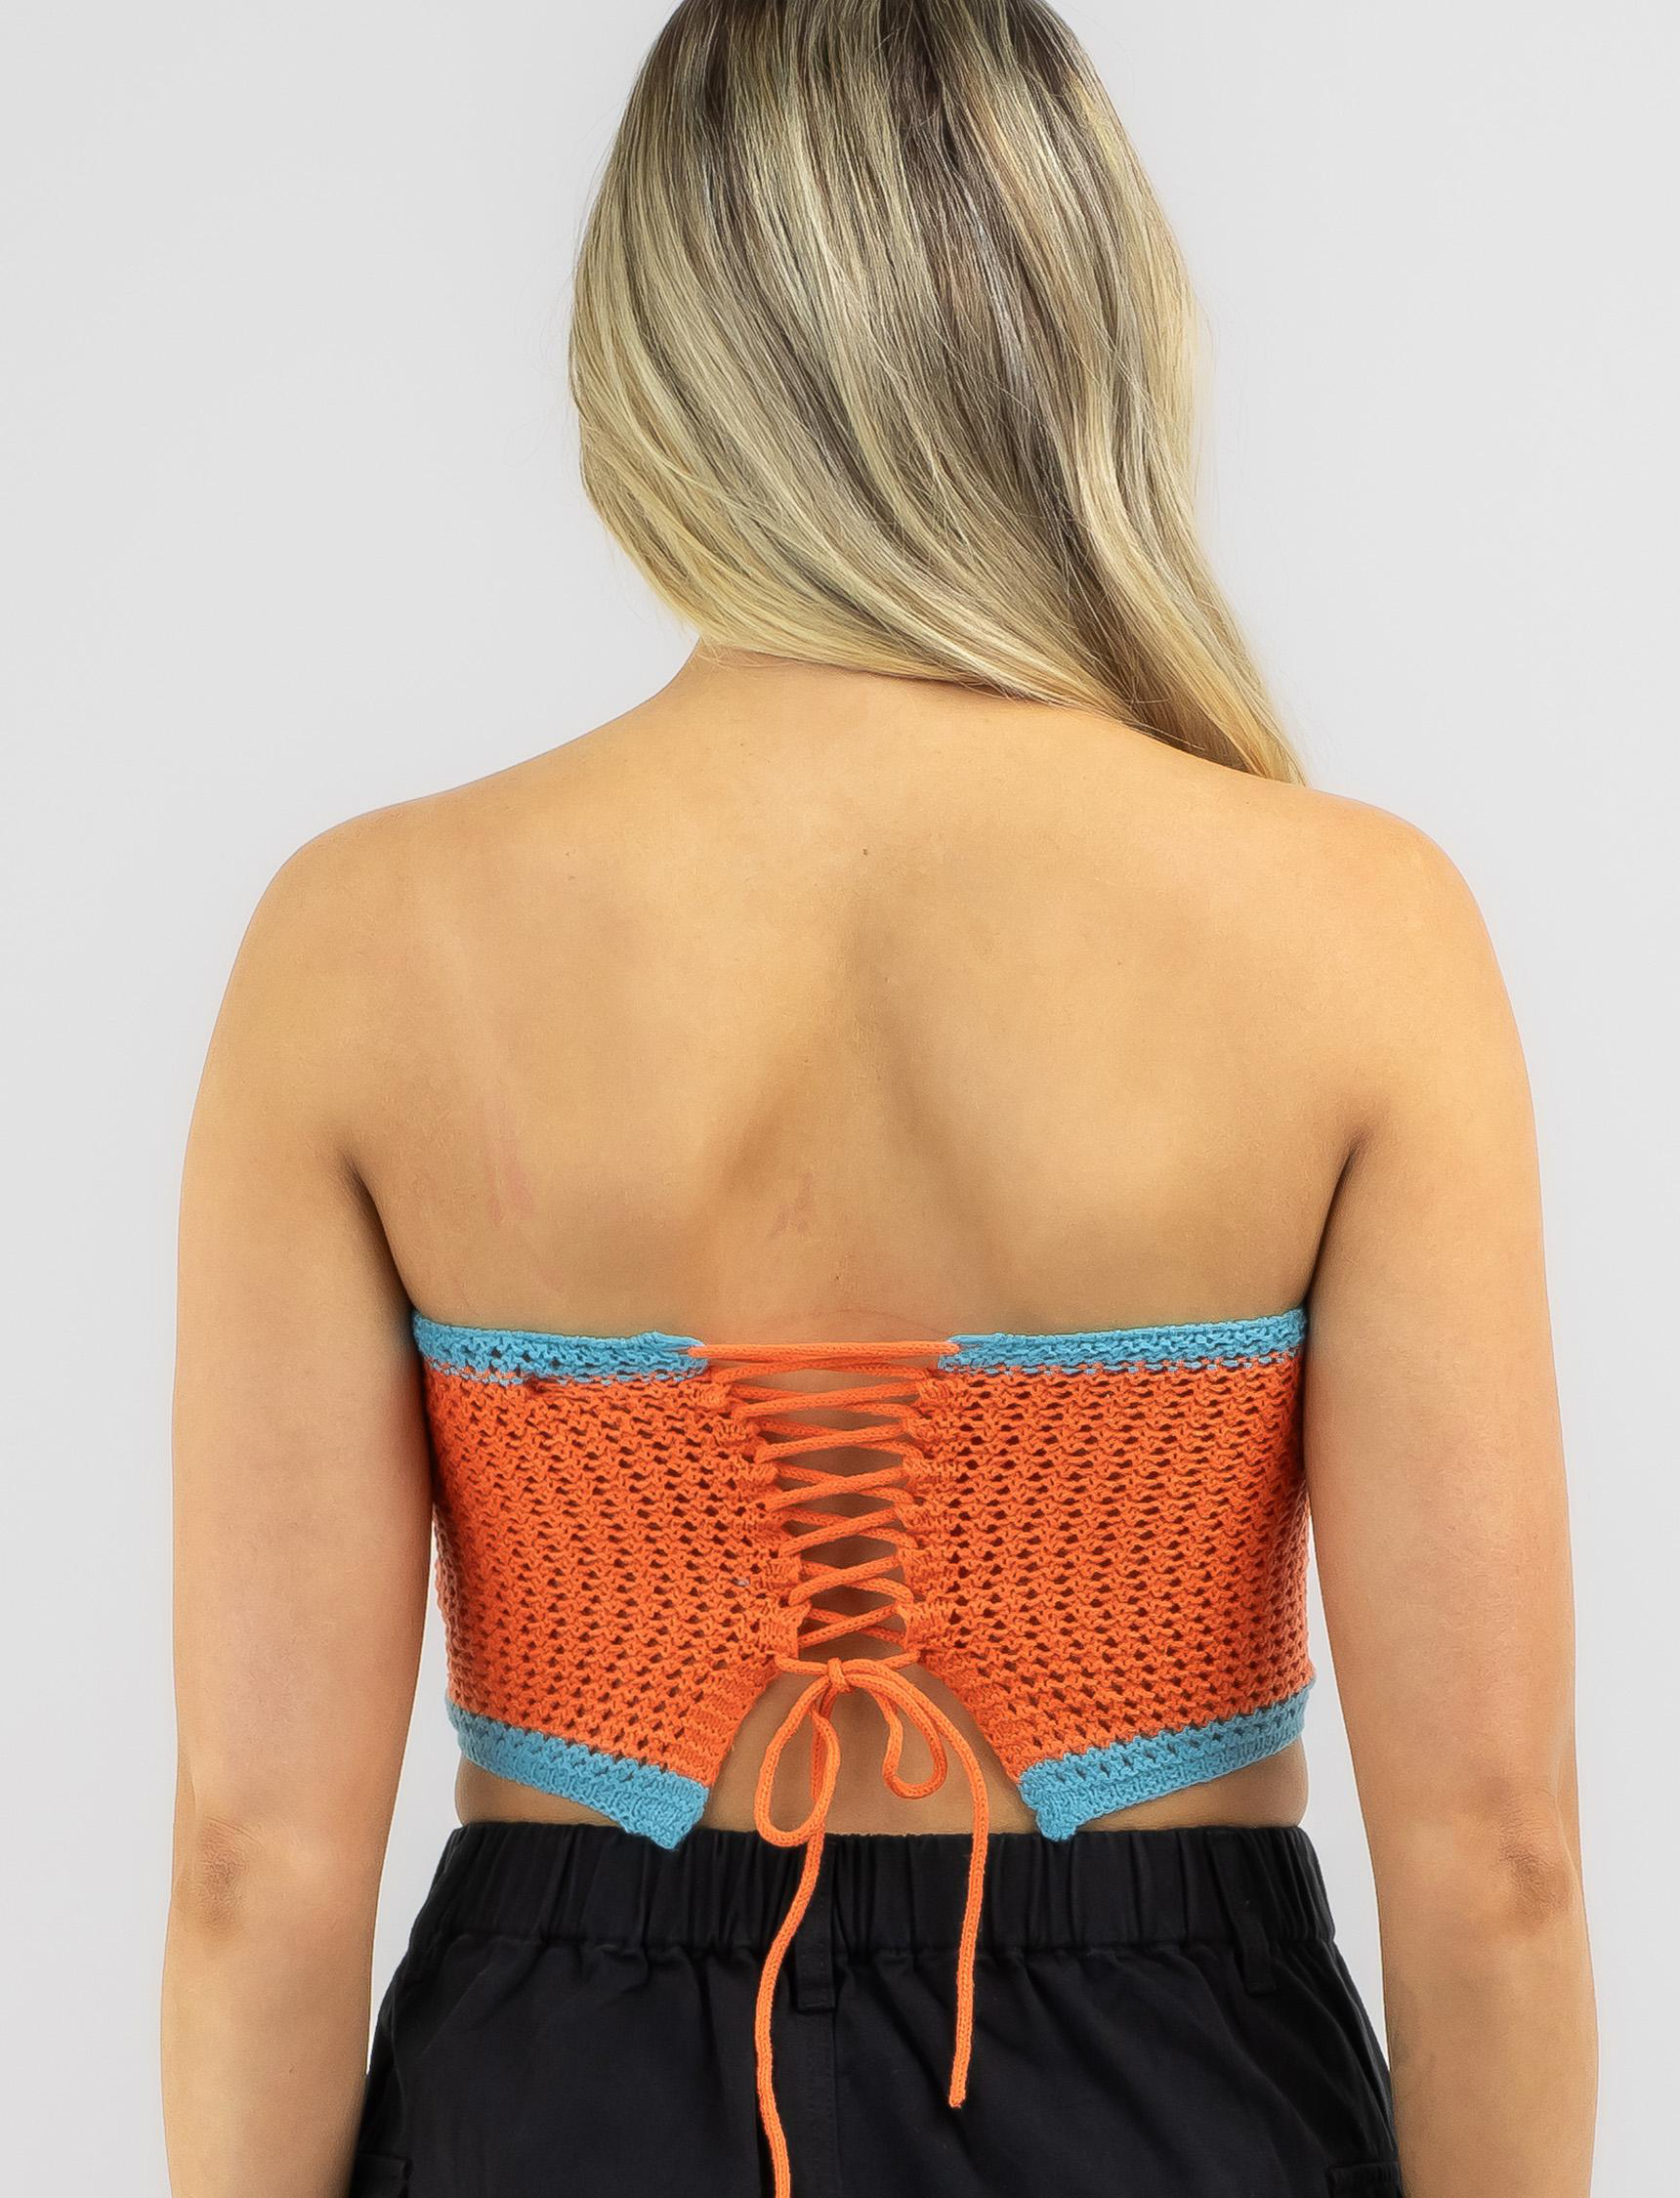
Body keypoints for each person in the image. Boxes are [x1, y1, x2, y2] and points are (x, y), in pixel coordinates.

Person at [159, 5, 1597, 2195]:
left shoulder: (361, 938)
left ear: (653, 355)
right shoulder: (1354, 929)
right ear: (1082, 331)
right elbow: (1498, 1857)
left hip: (554, 2087)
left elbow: (253, 1861)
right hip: (1171, 2081)